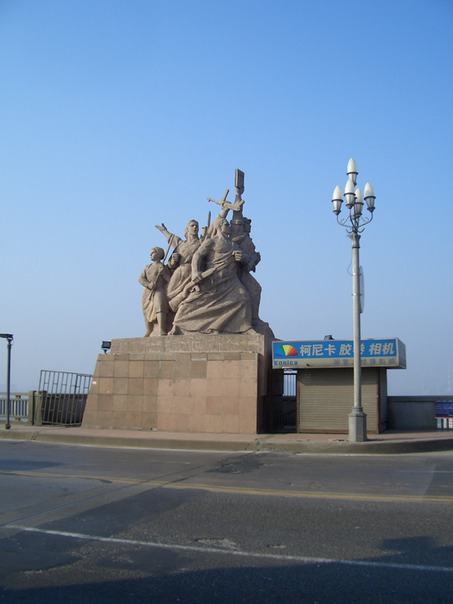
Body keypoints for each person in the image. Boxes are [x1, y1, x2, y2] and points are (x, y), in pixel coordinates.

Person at [170, 216, 252, 334]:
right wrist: (195, 272)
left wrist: (243, 258)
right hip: (212, 279)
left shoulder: (233, 244)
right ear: (219, 227)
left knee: (244, 298)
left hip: (230, 281)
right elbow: (197, 256)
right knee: (191, 302)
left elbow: (246, 259)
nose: (228, 227)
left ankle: (245, 328)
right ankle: (177, 325)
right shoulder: (211, 241)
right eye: (226, 225)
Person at [155, 220, 201, 313]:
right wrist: (164, 231)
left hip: (191, 272)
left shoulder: (201, 243)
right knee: (168, 293)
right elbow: (171, 238)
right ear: (187, 229)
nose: (195, 227)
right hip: (179, 272)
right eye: (192, 225)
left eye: (196, 226)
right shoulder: (181, 244)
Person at [138, 247, 171, 336]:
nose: (150, 255)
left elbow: (170, 280)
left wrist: (164, 273)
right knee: (146, 310)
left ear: (159, 254)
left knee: (160, 307)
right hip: (147, 291)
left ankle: (161, 329)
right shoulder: (147, 267)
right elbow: (141, 279)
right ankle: (149, 329)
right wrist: (148, 284)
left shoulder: (162, 267)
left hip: (159, 290)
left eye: (152, 253)